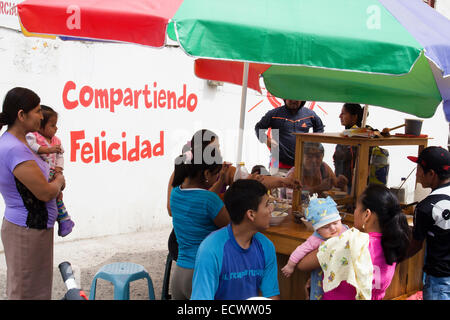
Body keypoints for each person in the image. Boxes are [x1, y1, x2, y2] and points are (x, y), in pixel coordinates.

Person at [0, 87, 65, 299]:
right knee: (25, 292)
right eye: (37, 111)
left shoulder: (23, 143)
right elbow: (44, 192)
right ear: (21, 115)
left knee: (35, 290)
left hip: (33, 229)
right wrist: (59, 181)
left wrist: (54, 180)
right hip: (26, 231)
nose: (41, 115)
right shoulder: (14, 148)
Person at [297, 184, 411, 300]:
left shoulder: (349, 242)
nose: (355, 211)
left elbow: (302, 264)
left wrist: (329, 241)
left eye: (356, 207)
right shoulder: (393, 244)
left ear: (367, 214)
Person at [191, 179, 280, 300]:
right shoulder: (210, 249)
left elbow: (271, 296)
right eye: (266, 205)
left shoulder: (266, 246)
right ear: (251, 214)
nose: (271, 209)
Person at [169, 129, 231, 300]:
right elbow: (233, 227)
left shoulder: (176, 193)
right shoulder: (210, 200)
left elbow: (201, 200)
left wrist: (219, 182)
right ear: (205, 173)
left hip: (180, 275)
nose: (218, 176)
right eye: (216, 173)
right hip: (201, 275)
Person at [281, 196, 348, 300]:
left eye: (335, 223)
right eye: (326, 227)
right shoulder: (315, 239)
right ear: (318, 230)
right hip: (321, 275)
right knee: (318, 293)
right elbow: (300, 250)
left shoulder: (345, 230)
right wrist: (290, 265)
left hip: (341, 277)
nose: (333, 228)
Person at [406, 146, 450, 300]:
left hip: (440, 283)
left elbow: (415, 245)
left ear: (431, 174)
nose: (417, 174)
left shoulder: (425, 207)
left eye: (419, 169)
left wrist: (392, 259)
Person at [25, 105, 74, 237]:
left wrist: (59, 169)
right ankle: (64, 219)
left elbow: (60, 156)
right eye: (52, 125)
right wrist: (47, 150)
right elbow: (32, 146)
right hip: (41, 173)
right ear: (40, 126)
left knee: (57, 195)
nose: (56, 128)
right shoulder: (33, 136)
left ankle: (64, 219)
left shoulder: (56, 141)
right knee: (51, 195)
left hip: (53, 173)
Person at [255, 99, 324, 177]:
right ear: (284, 98)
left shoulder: (310, 114)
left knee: (298, 189)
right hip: (276, 163)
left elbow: (319, 128)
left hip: (301, 164)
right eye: (290, 98)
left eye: (297, 98)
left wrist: (314, 143)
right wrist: (266, 140)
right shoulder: (273, 113)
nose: (293, 101)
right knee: (277, 189)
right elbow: (258, 128)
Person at [333, 103, 364, 192]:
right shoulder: (344, 135)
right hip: (340, 185)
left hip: (354, 187)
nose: (340, 116)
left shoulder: (361, 137)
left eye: (343, 113)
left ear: (354, 117)